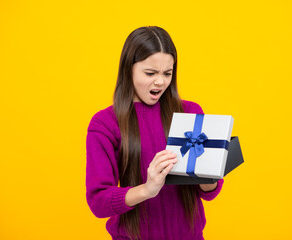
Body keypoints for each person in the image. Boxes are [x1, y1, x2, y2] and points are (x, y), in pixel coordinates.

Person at [86, 26, 224, 240]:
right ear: (128, 69)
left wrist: (209, 176)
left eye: (167, 73)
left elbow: (210, 192)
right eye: (150, 73)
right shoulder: (104, 124)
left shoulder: (190, 113)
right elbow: (98, 202)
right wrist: (148, 189)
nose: (160, 81)